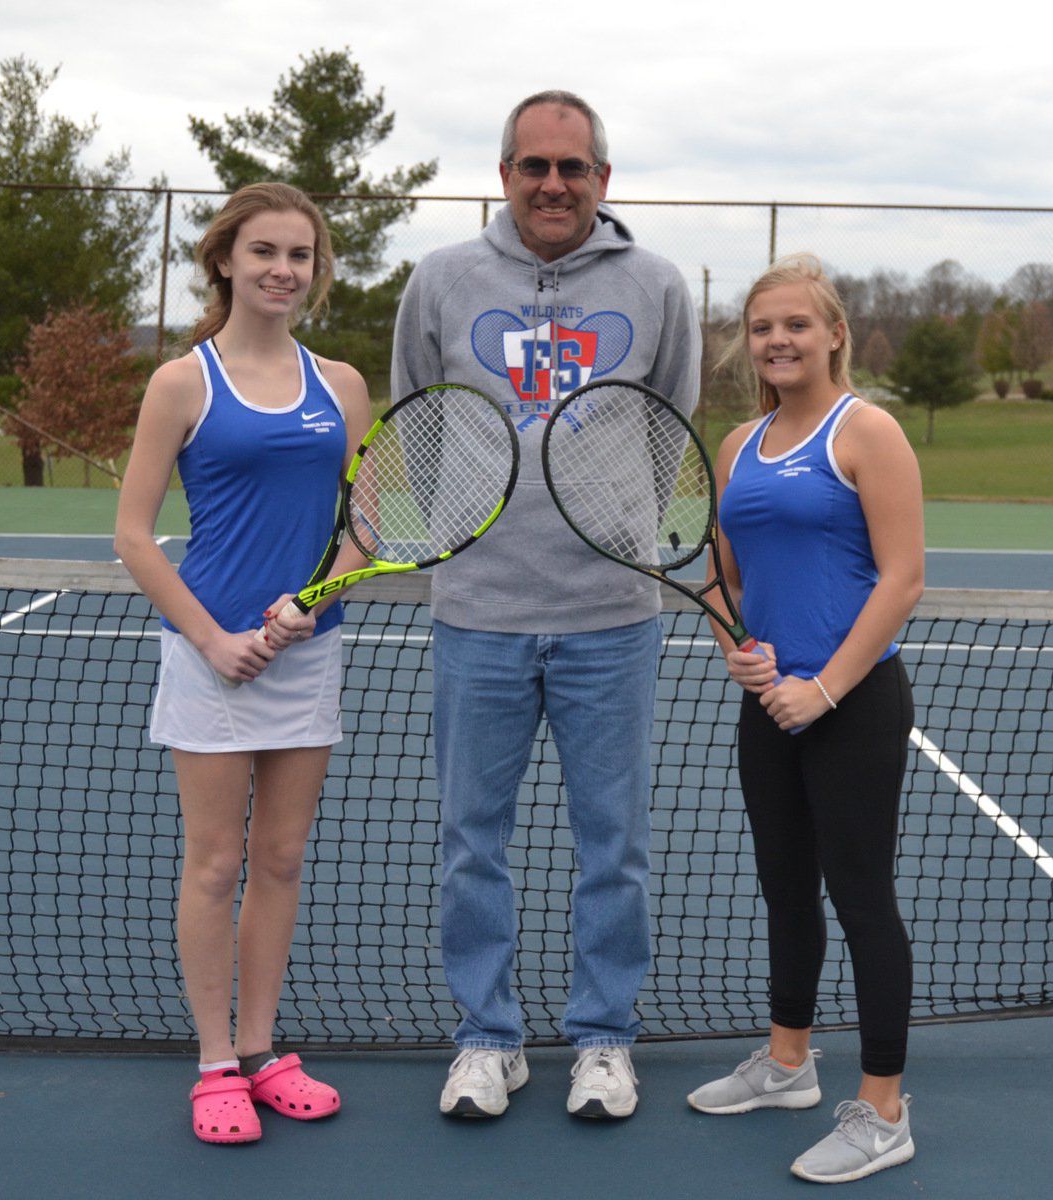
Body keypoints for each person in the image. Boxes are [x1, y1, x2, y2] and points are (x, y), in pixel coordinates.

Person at [392, 90, 700, 1119]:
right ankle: (488, 1040)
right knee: (471, 839)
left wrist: (618, 532)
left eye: (572, 168)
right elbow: (418, 420)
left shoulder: (657, 285)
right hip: (476, 610)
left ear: (602, 180)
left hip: (611, 616)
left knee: (614, 844)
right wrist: (457, 536)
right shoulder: (439, 279)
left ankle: (604, 1039)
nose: (553, 184)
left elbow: (673, 424)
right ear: (506, 174)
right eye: (534, 166)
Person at [114, 182, 371, 1144]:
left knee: (283, 858)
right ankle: (214, 1065)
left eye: (299, 255)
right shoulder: (183, 382)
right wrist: (214, 639)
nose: (282, 270)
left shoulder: (341, 385)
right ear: (225, 259)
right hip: (209, 658)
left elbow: (364, 525)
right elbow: (135, 537)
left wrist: (311, 604)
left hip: (307, 657)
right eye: (264, 251)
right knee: (216, 864)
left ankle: (263, 1053)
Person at [686, 255, 924, 1183]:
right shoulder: (739, 443)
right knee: (785, 888)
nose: (777, 340)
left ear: (833, 334)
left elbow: (902, 580)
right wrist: (734, 645)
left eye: (795, 324)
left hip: (853, 705)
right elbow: (722, 574)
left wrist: (822, 689)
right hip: (769, 707)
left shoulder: (868, 432)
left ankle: (883, 1109)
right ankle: (787, 1063)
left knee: (862, 899)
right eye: (761, 327)